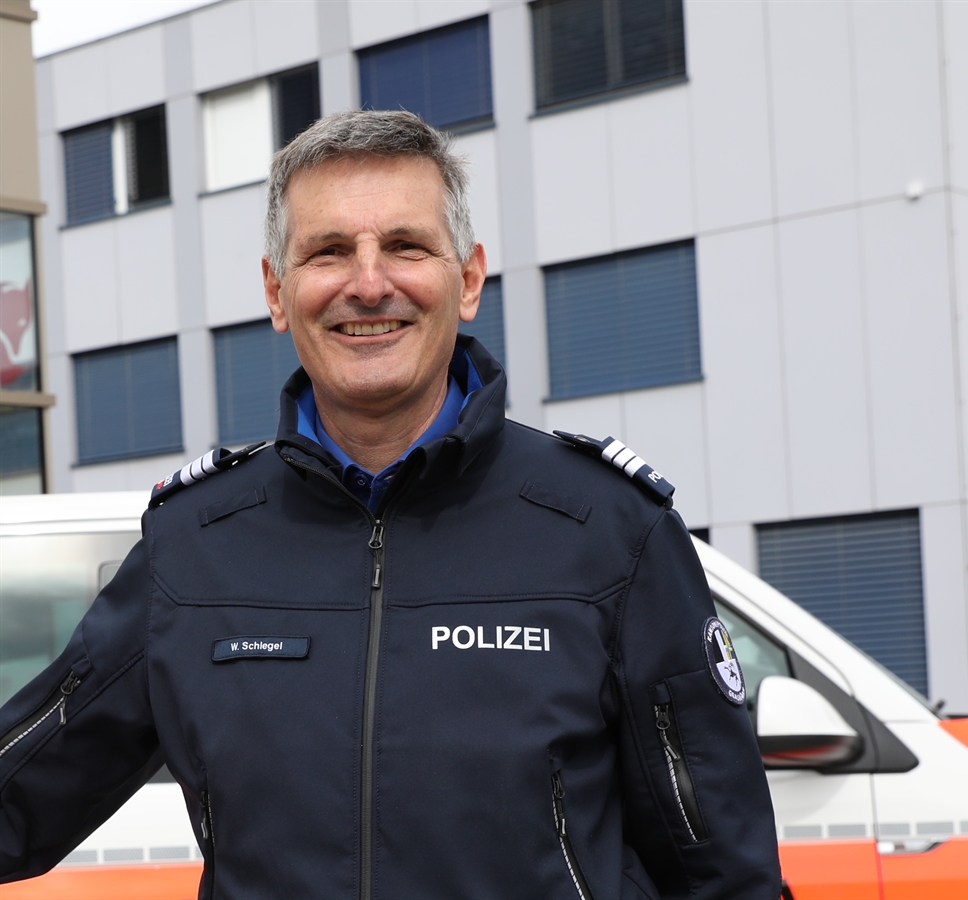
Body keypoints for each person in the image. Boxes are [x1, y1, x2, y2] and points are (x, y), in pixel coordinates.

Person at [0, 110, 780, 898]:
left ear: (467, 280)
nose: (369, 284)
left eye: (405, 246)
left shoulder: (610, 530)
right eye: (328, 252)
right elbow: (20, 794)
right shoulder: (194, 546)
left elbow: (724, 872)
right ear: (276, 292)